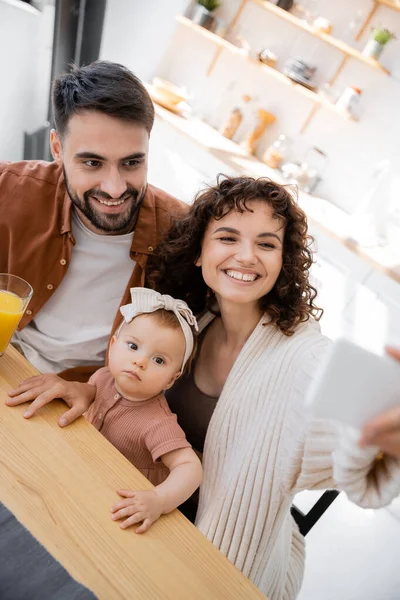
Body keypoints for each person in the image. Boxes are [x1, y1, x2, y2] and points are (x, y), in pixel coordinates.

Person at [7, 176, 400, 600]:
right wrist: (91, 392)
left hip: (213, 544)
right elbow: (138, 389)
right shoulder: (196, 319)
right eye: (228, 237)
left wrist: (380, 428)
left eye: (267, 244)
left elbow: (348, 428)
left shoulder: (300, 356)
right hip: (141, 494)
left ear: (283, 260)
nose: (246, 256)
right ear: (199, 251)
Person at [0, 60, 186, 382]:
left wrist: (93, 393)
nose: (114, 188)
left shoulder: (182, 232)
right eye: (92, 162)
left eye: (132, 162)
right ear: (57, 148)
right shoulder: (10, 186)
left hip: (89, 400)